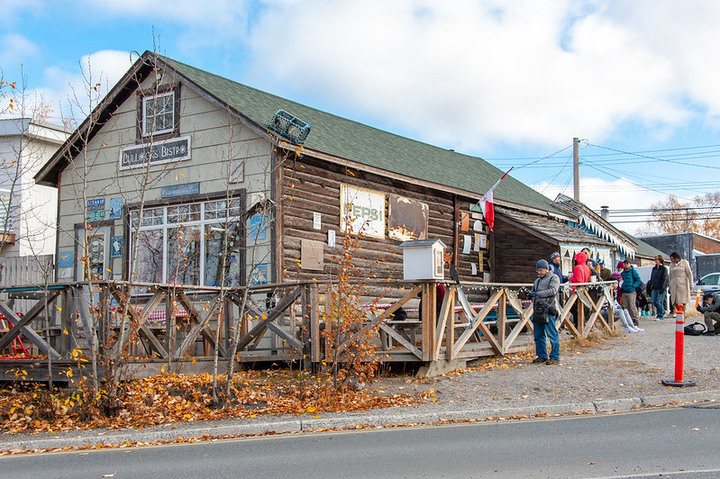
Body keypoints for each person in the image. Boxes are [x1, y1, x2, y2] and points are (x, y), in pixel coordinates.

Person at [531, 259, 561, 365]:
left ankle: (555, 356)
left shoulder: (554, 278)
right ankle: (542, 355)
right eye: (538, 271)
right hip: (538, 310)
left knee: (552, 334)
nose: (540, 273)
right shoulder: (537, 281)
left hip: (549, 309)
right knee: (538, 335)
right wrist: (530, 294)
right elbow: (533, 292)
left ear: (547, 269)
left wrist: (538, 294)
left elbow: (553, 290)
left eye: (541, 270)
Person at [620, 260, 642, 327]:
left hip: (631, 291)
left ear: (629, 264)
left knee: (632, 306)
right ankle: (628, 320)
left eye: (627, 264)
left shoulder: (633, 271)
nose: (626, 265)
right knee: (625, 307)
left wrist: (633, 286)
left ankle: (635, 319)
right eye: (625, 264)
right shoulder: (622, 273)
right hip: (624, 291)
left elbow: (638, 280)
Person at [649, 255, 669, 320]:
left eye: (656, 259)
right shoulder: (654, 269)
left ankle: (660, 315)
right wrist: (651, 284)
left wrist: (663, 288)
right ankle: (663, 311)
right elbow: (652, 277)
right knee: (654, 301)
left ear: (660, 260)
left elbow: (665, 279)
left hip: (661, 287)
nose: (655, 261)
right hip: (654, 287)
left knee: (658, 302)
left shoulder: (664, 269)